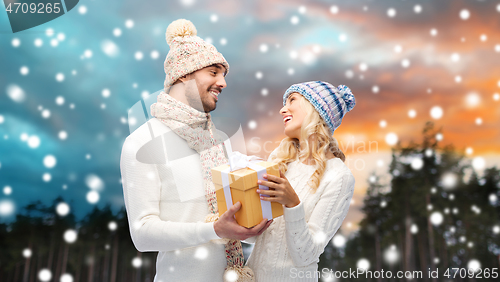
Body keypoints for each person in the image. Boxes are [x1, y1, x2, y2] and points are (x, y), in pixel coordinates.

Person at [120, 19, 270, 282]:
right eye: (213, 72)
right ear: (184, 74)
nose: (222, 83)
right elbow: (142, 235)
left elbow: (230, 214)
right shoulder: (142, 142)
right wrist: (213, 229)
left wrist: (252, 221)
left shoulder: (220, 139)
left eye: (223, 74)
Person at [245, 81, 356, 281]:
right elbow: (258, 237)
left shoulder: (340, 177)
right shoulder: (280, 159)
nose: (282, 109)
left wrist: (293, 204)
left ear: (315, 109)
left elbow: (306, 254)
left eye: (292, 100)